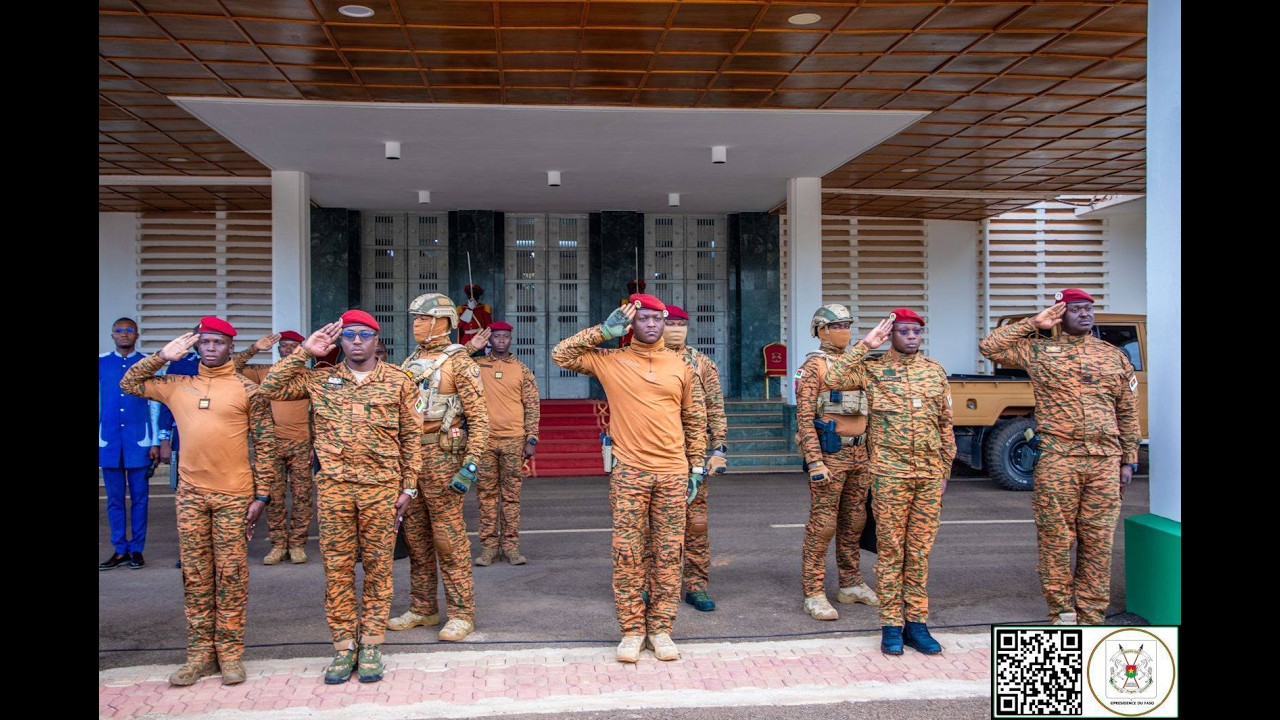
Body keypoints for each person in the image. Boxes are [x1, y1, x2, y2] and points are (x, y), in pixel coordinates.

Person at [259, 311, 422, 684]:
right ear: (339, 341)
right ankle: (344, 645)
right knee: (337, 571)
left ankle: (372, 645)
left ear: (377, 340)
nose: (358, 342)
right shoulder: (319, 380)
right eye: (349, 335)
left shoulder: (399, 382)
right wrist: (304, 351)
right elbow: (269, 389)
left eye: (365, 335)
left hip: (382, 490)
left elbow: (413, 439)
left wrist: (409, 486)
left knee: (379, 569)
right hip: (334, 490)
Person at [120, 316, 276, 686]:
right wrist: (161, 355)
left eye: (218, 343)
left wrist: (263, 494)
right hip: (190, 495)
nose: (210, 348)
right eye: (204, 342)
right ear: (195, 347)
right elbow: (129, 383)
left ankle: (231, 655)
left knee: (232, 575)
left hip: (234, 495)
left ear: (229, 348)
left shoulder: (247, 390)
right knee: (196, 576)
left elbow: (267, 445)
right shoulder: (177, 384)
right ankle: (199, 657)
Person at [553, 294, 706, 663]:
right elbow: (561, 354)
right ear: (631, 324)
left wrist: (697, 466)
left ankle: (662, 630)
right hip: (630, 472)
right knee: (628, 554)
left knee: (669, 555)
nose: (652, 325)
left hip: (672, 472)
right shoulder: (612, 361)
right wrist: (603, 332)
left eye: (658, 319)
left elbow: (695, 419)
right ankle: (632, 630)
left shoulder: (682, 366)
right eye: (644, 319)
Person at [978, 290, 1141, 627]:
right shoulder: (1039, 351)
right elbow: (989, 347)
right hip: (1059, 459)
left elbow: (1127, 410)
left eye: (1089, 309)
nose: (1085, 315)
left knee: (1098, 541)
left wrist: (1129, 459)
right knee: (1055, 539)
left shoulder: (1114, 357)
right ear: (1060, 315)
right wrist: (1033, 323)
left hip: (1104, 462)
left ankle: (1091, 614)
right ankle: (1061, 611)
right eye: (1076, 310)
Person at [825, 309, 955, 656]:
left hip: (928, 476)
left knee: (919, 553)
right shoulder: (873, 369)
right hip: (889, 475)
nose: (912, 336)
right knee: (891, 553)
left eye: (916, 331)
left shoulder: (934, 372)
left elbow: (945, 424)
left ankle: (917, 624)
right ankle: (891, 626)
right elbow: (834, 378)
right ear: (891, 334)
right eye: (904, 331)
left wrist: (944, 469)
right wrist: (865, 345)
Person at [386, 293, 490, 643]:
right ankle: (423, 607)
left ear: (442, 321)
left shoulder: (460, 363)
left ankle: (462, 613)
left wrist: (470, 466)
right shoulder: (411, 360)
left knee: (449, 540)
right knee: (415, 539)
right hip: (411, 460)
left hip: (444, 459)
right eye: (414, 318)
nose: (415, 325)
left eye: (422, 318)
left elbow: (479, 419)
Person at [792, 304, 877, 622]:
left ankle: (851, 583)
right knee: (823, 525)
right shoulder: (813, 367)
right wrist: (814, 461)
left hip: (861, 455)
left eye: (847, 324)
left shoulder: (858, 364)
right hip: (831, 455)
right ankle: (813, 592)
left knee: (855, 522)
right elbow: (804, 417)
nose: (844, 330)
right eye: (836, 325)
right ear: (821, 330)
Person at [647, 304, 727, 612]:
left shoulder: (703, 363)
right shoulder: (647, 357)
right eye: (672, 323)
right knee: (651, 524)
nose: (677, 328)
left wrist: (719, 448)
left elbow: (716, 407)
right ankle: (649, 585)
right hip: (656, 451)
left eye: (682, 323)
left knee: (696, 524)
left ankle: (696, 585)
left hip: (693, 452)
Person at [233, 331, 314, 564]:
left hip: (300, 443)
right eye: (284, 346)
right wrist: (255, 348)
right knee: (273, 497)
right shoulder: (263, 372)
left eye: (293, 346)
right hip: (270, 445)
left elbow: (319, 413)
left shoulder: (309, 376)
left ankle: (297, 544)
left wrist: (315, 444)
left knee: (302, 498)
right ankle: (278, 545)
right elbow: (231, 369)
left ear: (302, 349)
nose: (287, 350)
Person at [472, 320, 540, 566]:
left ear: (511, 340)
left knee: (511, 496)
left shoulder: (521, 370)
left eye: (505, 337)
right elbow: (453, 362)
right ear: (489, 339)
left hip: (513, 439)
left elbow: (532, 405)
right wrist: (472, 346)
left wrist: (531, 438)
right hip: (484, 440)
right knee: (486, 496)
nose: (501, 341)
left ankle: (511, 546)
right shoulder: (476, 365)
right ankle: (488, 548)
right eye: (497, 336)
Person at [99, 317, 160, 570]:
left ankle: (136, 549)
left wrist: (156, 440)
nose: (124, 334)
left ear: (137, 335)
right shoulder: (102, 362)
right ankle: (119, 549)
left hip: (139, 439)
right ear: (112, 335)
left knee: (139, 498)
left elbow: (156, 404)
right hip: (109, 439)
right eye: (119, 331)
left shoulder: (148, 363)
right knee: (113, 499)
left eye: (129, 331)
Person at [455, 284, 492, 349]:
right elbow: (459, 325)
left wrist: (489, 342)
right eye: (470, 294)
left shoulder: (484, 308)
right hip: (465, 340)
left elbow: (488, 326)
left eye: (475, 295)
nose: (472, 297)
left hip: (480, 339)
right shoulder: (461, 308)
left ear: (478, 296)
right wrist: (469, 309)